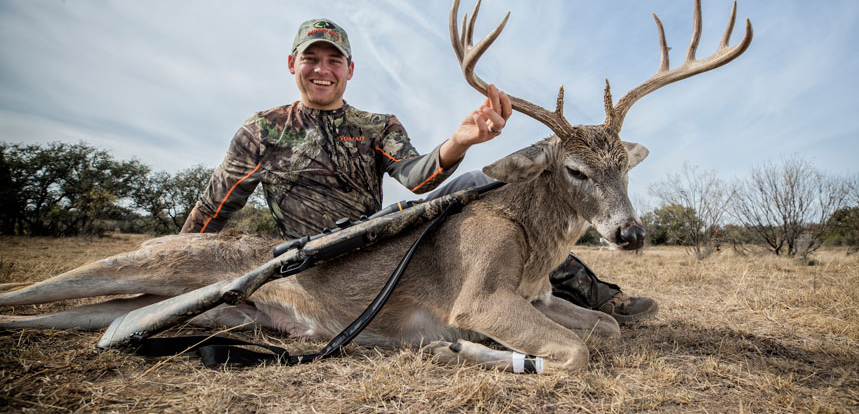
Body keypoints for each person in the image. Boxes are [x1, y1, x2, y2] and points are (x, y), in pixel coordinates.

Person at [181, 18, 657, 324]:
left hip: (374, 237)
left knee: (486, 188)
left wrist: (461, 141)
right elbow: (215, 204)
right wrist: (180, 253)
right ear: (293, 64)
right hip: (309, 253)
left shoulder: (376, 125)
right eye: (311, 59)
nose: (322, 69)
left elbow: (415, 177)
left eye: (333, 60)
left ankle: (593, 294)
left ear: (350, 69)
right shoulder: (262, 130)